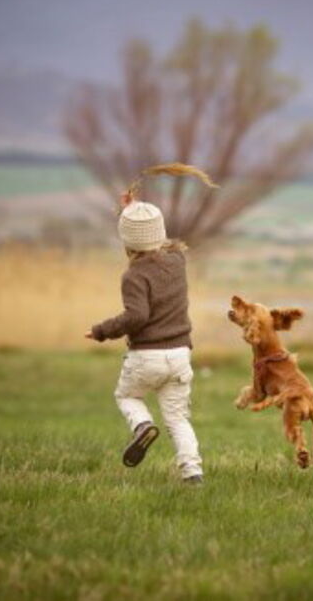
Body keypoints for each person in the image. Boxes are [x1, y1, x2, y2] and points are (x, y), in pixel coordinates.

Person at [85, 191, 204, 484]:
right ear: (159, 232)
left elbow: (136, 316)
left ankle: (142, 426)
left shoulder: (133, 276)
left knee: (127, 396)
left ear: (126, 240)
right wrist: (135, 209)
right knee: (178, 419)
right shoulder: (177, 261)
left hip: (146, 357)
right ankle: (193, 473)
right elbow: (162, 239)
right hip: (179, 355)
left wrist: (102, 331)